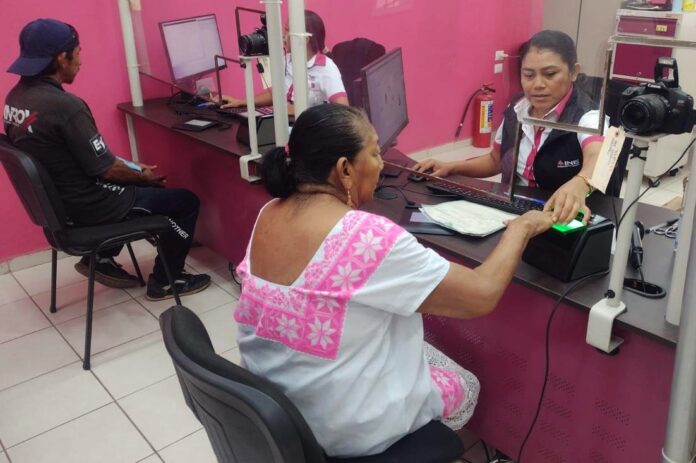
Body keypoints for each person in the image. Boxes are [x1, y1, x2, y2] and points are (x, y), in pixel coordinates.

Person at [234, 103, 553, 457]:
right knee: (464, 384)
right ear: (345, 169)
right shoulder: (366, 237)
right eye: (374, 153)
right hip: (340, 430)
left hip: (277, 411)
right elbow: (482, 294)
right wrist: (521, 228)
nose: (382, 164)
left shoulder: (269, 212)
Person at [4, 18, 211, 300]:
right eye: (78, 52)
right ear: (61, 58)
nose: (80, 61)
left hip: (62, 206)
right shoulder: (66, 107)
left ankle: (101, 257)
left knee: (137, 181)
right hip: (95, 206)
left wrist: (130, 167)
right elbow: (107, 170)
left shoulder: (15, 99)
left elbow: (79, 156)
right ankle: (167, 280)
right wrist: (143, 177)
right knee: (185, 202)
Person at [415, 30, 609, 225]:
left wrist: (581, 182)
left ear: (573, 72)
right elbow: (496, 160)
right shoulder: (518, 108)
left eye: (550, 74)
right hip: (512, 209)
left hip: (559, 219)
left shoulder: (588, 116)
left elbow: (599, 156)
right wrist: (451, 167)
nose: (538, 84)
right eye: (528, 75)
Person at [220, 10, 348, 113]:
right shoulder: (287, 60)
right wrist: (241, 102)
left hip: (309, 128)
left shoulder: (326, 68)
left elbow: (343, 110)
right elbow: (276, 94)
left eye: (287, 30)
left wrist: (299, 110)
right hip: (284, 122)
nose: (283, 35)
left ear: (305, 39)